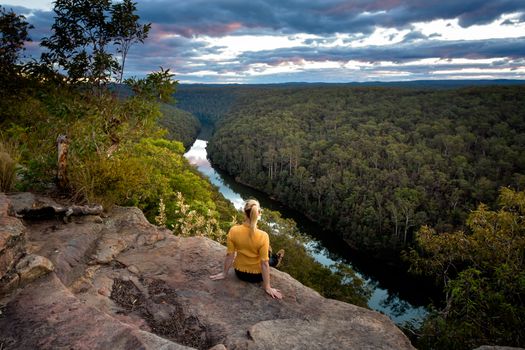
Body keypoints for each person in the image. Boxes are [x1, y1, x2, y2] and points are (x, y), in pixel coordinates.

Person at [209, 199, 284, 299]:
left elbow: (230, 255)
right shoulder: (263, 236)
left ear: (244, 212)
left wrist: (224, 273)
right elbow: (264, 264)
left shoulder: (233, 230)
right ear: (259, 214)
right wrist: (267, 287)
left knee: (266, 257)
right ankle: (275, 259)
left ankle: (273, 257)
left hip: (239, 273)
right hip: (257, 277)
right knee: (268, 259)